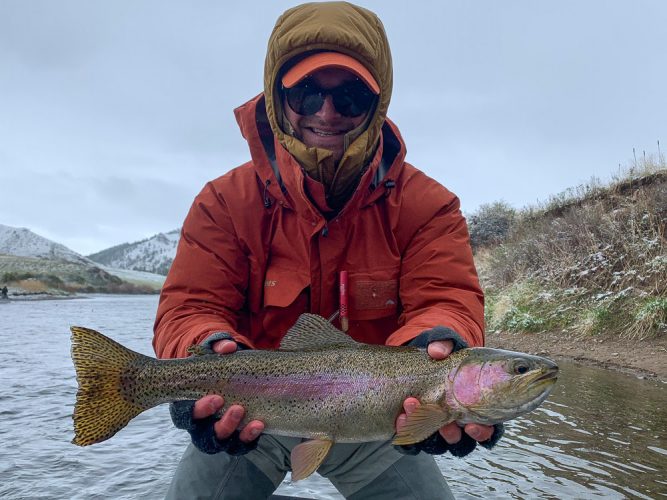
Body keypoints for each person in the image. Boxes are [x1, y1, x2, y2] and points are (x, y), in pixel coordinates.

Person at [154, 2, 503, 498]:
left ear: (377, 104)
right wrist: (203, 349)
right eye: (308, 92)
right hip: (257, 413)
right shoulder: (225, 202)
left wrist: (440, 340)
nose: (327, 112)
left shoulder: (428, 206)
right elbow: (191, 307)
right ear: (279, 98)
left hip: (379, 415)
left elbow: (444, 298)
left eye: (351, 96)